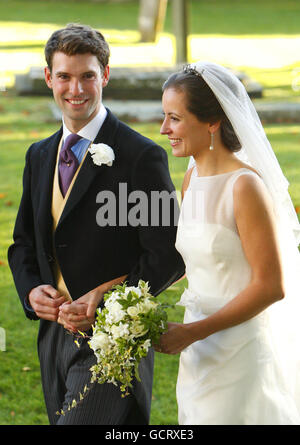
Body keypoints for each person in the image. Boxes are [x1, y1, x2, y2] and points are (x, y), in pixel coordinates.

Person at [8, 23, 184, 425]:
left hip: (114, 342)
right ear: (49, 78)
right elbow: (22, 244)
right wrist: (31, 289)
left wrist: (104, 301)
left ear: (104, 75)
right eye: (65, 76)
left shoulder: (142, 157)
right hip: (53, 337)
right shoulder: (38, 155)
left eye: (88, 75)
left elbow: (169, 256)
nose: (76, 89)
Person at [157, 61, 300, 425]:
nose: (164, 129)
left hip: (238, 352)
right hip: (197, 350)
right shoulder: (192, 177)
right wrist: (131, 297)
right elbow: (198, 261)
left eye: (174, 118)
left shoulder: (244, 186)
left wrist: (191, 333)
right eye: (164, 117)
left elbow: (270, 286)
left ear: (212, 121)